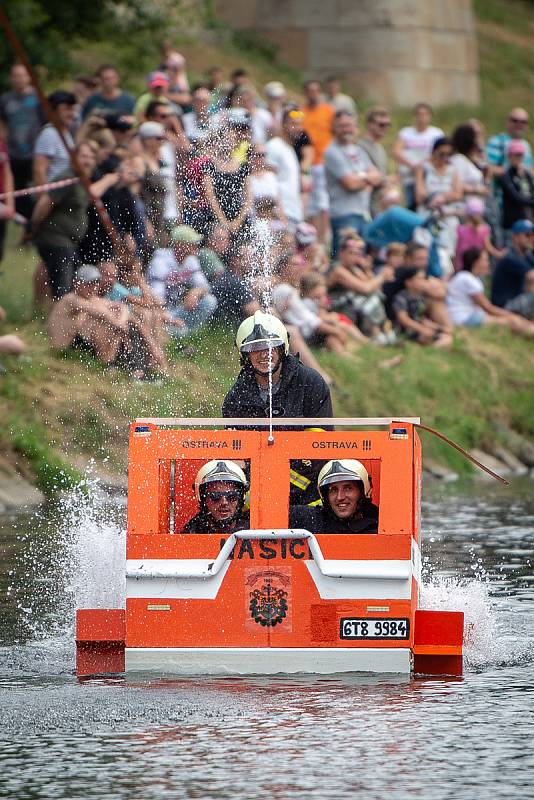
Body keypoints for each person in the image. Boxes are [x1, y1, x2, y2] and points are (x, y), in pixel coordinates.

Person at [222, 311, 333, 504]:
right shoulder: (236, 398)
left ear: (283, 348)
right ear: (244, 354)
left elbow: (319, 449)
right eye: (255, 347)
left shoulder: (310, 383)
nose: (265, 353)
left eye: (272, 346)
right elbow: (237, 459)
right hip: (257, 497)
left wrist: (274, 484)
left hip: (311, 496)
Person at [31, 140, 119, 299]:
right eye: (83, 156)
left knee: (75, 282)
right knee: (64, 287)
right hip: (56, 239)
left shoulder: (82, 180)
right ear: (73, 159)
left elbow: (93, 194)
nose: (87, 160)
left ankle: (58, 317)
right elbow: (45, 203)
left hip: (68, 242)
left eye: (91, 157)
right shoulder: (67, 177)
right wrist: (33, 227)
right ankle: (58, 320)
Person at [323, 111, 381, 256]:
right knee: (344, 258)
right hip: (343, 215)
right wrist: (367, 178)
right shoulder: (332, 152)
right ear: (334, 127)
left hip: (363, 212)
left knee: (361, 258)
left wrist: (361, 177)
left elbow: (378, 176)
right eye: (342, 126)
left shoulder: (359, 151)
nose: (347, 129)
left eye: (350, 125)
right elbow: (350, 184)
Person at [447, 247, 534, 335]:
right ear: (475, 262)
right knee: (513, 321)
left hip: (468, 317)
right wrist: (512, 315)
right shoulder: (467, 279)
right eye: (485, 260)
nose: (488, 264)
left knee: (514, 320)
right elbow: (488, 308)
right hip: (464, 320)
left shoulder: (467, 277)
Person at [0, 63, 45, 220]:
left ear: (28, 77)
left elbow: (44, 123)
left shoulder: (38, 98)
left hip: (34, 153)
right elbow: (3, 124)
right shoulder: (5, 99)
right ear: (11, 78)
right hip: (13, 152)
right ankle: (21, 222)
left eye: (22, 75)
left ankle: (34, 223)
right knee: (15, 191)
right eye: (15, 76)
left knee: (33, 191)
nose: (19, 79)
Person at [289, 459, 379, 534]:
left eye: (348, 488)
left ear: (363, 492)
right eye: (333, 490)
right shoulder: (313, 520)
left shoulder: (379, 524)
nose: (340, 497)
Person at [393, 102, 444, 210]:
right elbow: (397, 150)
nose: (422, 118)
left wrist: (422, 165)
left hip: (428, 175)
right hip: (409, 174)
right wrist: (412, 165)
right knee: (409, 203)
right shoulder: (406, 133)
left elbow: (440, 152)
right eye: (419, 114)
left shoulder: (436, 134)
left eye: (425, 114)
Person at [301, 80, 335, 242]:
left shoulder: (328, 111)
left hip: (324, 161)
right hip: (308, 162)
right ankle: (312, 237)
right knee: (311, 202)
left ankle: (323, 238)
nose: (312, 93)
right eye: (310, 90)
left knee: (323, 201)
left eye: (316, 90)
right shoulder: (301, 112)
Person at [182, 460, 249, 534]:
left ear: (240, 499)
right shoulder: (191, 532)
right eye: (215, 497)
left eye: (232, 496)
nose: (224, 502)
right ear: (203, 499)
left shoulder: (252, 532)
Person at [392, 267, 452, 348]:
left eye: (423, 279)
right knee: (444, 340)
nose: (423, 282)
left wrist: (439, 328)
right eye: (419, 279)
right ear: (408, 282)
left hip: (419, 328)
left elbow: (421, 318)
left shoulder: (420, 297)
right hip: (406, 330)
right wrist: (422, 329)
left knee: (447, 337)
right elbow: (403, 319)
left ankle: (433, 346)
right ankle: (432, 348)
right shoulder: (401, 297)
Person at [265, 109, 304, 230]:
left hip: (293, 213)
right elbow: (268, 180)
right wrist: (276, 213)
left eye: (299, 124)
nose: (298, 128)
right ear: (283, 124)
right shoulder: (274, 146)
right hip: (281, 214)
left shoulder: (290, 149)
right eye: (294, 124)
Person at [33, 90, 77, 185]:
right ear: (53, 111)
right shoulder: (49, 134)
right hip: (53, 196)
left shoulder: (66, 133)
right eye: (66, 109)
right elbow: (39, 171)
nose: (72, 114)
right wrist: (45, 198)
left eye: (72, 109)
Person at [492, 219, 534, 307]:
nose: (531, 238)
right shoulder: (510, 256)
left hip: (517, 300)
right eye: (527, 235)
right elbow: (531, 276)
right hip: (504, 305)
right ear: (515, 237)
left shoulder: (526, 255)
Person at [358, 107, 391, 217]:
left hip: (379, 204)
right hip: (365, 205)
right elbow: (363, 176)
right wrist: (386, 180)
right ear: (370, 124)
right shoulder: (360, 146)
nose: (385, 128)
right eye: (381, 125)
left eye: (387, 125)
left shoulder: (380, 148)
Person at [486, 108, 533, 179]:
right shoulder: (496, 141)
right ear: (507, 122)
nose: (519, 124)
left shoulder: (526, 145)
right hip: (500, 189)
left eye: (523, 122)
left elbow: (529, 169)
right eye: (515, 120)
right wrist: (512, 170)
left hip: (521, 188)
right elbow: (487, 168)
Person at [500, 140, 534, 235]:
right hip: (513, 223)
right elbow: (516, 197)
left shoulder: (527, 174)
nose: (518, 158)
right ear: (509, 156)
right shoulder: (506, 175)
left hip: (528, 220)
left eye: (520, 155)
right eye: (516, 155)